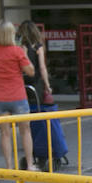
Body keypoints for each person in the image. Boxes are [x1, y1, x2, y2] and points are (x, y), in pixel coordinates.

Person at [0, 20, 37, 170]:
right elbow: (31, 71)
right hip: (17, 96)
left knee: (5, 133)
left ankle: (8, 166)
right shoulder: (17, 51)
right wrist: (25, 55)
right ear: (10, 35)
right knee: (25, 130)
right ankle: (29, 164)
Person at [18, 21, 69, 169]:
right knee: (41, 115)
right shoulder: (38, 47)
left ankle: (34, 152)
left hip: (22, 87)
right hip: (36, 87)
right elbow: (42, 68)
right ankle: (48, 149)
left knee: (28, 120)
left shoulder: (20, 48)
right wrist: (47, 86)